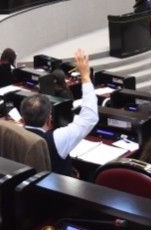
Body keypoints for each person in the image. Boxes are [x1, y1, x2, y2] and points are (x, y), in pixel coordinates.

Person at [20, 49, 97, 177]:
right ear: (49, 119)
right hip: (57, 192)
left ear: (22, 118)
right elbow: (89, 118)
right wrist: (85, 76)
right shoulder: (57, 139)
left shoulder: (14, 135)